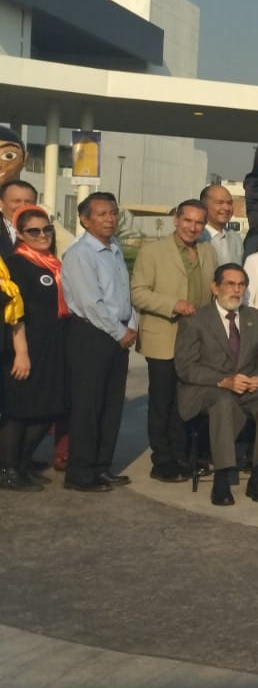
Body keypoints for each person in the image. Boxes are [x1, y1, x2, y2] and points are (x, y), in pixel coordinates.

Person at [171, 263, 258, 504]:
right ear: (215, 288)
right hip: (207, 389)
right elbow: (185, 367)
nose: (236, 290)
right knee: (223, 402)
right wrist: (223, 381)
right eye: (230, 284)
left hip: (246, 389)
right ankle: (222, 478)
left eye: (241, 285)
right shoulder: (195, 320)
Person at [130, 199, 216, 482]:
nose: (193, 227)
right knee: (162, 401)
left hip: (195, 341)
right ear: (176, 220)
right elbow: (138, 292)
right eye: (187, 220)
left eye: (199, 222)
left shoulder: (207, 251)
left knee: (186, 401)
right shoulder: (153, 252)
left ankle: (182, 455)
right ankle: (162, 460)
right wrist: (173, 304)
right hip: (164, 337)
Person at [59, 192, 137, 492]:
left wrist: (131, 325)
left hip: (118, 334)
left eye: (113, 213)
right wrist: (119, 332)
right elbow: (90, 302)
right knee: (87, 407)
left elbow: (124, 293)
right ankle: (80, 473)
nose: (110, 219)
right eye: (102, 214)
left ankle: (102, 466)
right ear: (85, 220)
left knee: (111, 405)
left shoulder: (114, 248)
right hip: (91, 335)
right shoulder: (80, 254)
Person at [1, 207, 69, 491]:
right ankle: (8, 470)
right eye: (34, 231)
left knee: (47, 409)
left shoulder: (52, 263)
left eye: (47, 229)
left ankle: (22, 463)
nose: (43, 235)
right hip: (27, 349)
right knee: (20, 412)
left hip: (52, 348)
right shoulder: (16, 264)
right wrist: (21, 353)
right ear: (20, 234)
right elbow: (14, 313)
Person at [199, 183, 243, 267]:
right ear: (204, 206)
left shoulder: (236, 238)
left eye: (229, 203)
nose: (226, 208)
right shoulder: (197, 237)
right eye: (220, 202)